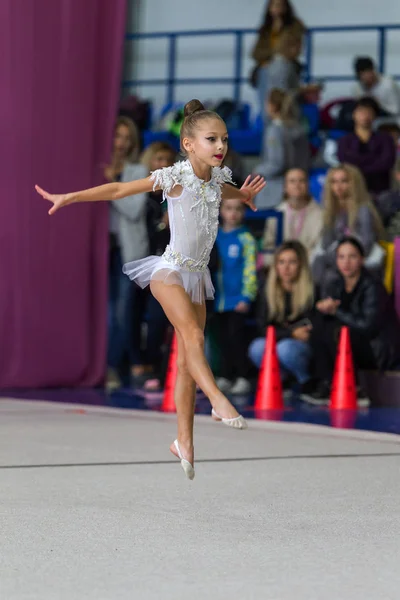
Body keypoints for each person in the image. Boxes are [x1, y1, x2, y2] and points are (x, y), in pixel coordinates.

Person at [35, 99, 266, 481]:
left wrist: (244, 196)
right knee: (192, 336)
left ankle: (183, 442)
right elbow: (120, 189)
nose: (220, 145)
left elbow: (222, 194)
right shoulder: (174, 176)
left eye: (224, 139)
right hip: (169, 270)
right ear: (189, 143)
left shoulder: (220, 178)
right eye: (211, 139)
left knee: (185, 365)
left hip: (197, 275)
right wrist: (70, 197)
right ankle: (218, 399)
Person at [309, 236, 400, 401]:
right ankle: (326, 384)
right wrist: (322, 310)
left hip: (376, 349)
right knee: (320, 328)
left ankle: (356, 389)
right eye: (341, 257)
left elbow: (367, 326)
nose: (346, 262)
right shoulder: (336, 284)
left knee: (340, 332)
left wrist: (336, 311)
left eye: (352, 256)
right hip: (353, 341)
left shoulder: (373, 286)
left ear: (362, 259)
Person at [104, 116, 149, 388]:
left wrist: (112, 185)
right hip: (102, 250)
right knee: (107, 313)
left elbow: (133, 210)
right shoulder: (99, 167)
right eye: (116, 136)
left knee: (122, 312)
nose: (120, 143)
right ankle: (127, 364)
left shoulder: (138, 170)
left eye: (125, 138)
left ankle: (112, 368)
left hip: (128, 251)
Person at [248, 241, 314, 393]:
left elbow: (311, 328)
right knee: (257, 347)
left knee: (286, 349)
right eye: (281, 262)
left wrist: (293, 334)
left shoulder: (310, 289)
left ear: (300, 265)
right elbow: (262, 327)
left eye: (292, 262)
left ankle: (306, 381)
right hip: (282, 340)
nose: (286, 268)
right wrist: (291, 333)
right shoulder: (267, 289)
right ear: (275, 265)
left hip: (301, 347)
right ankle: (281, 381)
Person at [311, 164, 385, 287]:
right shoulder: (331, 210)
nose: (338, 187)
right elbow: (326, 243)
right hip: (339, 258)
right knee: (319, 263)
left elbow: (366, 245)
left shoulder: (363, 209)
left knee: (327, 272)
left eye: (344, 181)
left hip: (361, 260)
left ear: (354, 184)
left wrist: (340, 256)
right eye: (334, 182)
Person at [213, 197, 257, 395]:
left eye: (238, 209)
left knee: (236, 339)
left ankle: (242, 376)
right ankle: (224, 375)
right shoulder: (214, 236)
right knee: (221, 340)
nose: (233, 213)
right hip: (217, 300)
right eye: (228, 208)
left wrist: (246, 296)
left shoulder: (246, 239)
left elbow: (250, 270)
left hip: (237, 300)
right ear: (221, 210)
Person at [254, 89, 310, 208]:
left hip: (274, 191)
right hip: (295, 188)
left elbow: (276, 163)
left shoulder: (274, 130)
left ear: (272, 106)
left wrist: (257, 172)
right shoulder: (297, 127)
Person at [251, 0, 305, 121]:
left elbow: (293, 51)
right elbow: (256, 53)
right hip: (266, 68)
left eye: (280, 5)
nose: (277, 8)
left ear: (286, 7)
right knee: (265, 70)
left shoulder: (294, 25)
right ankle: (269, 117)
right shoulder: (265, 28)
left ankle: (281, 111)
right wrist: (273, 54)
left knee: (279, 65)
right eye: (274, 5)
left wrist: (274, 55)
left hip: (286, 67)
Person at [262, 168, 323, 267]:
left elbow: (319, 250)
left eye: (301, 181)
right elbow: (268, 246)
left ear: (308, 185)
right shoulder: (275, 214)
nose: (297, 185)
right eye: (292, 181)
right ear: (285, 187)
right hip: (280, 268)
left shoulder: (321, 214)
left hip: (309, 268)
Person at [337, 97, 396, 195]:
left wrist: (358, 162)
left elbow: (386, 163)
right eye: (361, 111)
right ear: (353, 114)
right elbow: (345, 164)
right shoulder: (344, 141)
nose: (365, 116)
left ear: (375, 116)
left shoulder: (386, 139)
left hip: (381, 191)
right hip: (353, 192)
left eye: (369, 112)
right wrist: (373, 158)